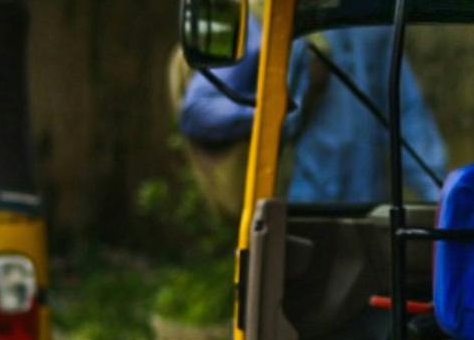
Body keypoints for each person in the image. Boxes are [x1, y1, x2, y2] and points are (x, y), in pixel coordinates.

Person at [175, 23, 447, 209]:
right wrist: (282, 108)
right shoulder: (272, 17)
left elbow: (408, 115)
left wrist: (440, 199)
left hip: (368, 209)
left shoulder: (373, 22)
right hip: (294, 210)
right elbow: (198, 111)